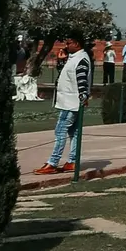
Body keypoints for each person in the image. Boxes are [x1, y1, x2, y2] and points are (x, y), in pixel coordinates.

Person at [39, 35, 94, 174]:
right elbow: (66, 74)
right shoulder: (75, 58)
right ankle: (72, 162)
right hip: (69, 101)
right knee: (73, 132)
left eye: (69, 43)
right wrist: (62, 60)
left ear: (76, 43)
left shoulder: (81, 59)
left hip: (71, 102)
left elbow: (82, 81)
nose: (66, 46)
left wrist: (83, 96)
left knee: (60, 131)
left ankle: (53, 162)